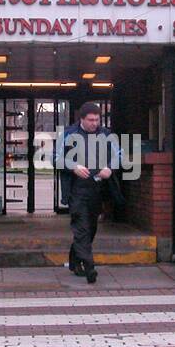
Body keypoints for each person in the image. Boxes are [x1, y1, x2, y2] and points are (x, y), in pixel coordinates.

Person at [55, 102, 123, 284]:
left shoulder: (107, 135)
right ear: (82, 119)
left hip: (98, 189)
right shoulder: (68, 134)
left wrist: (110, 168)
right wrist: (74, 167)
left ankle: (75, 260)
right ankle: (89, 266)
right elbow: (57, 158)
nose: (94, 123)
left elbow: (119, 156)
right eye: (91, 120)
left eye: (97, 119)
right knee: (81, 226)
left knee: (90, 227)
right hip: (77, 188)